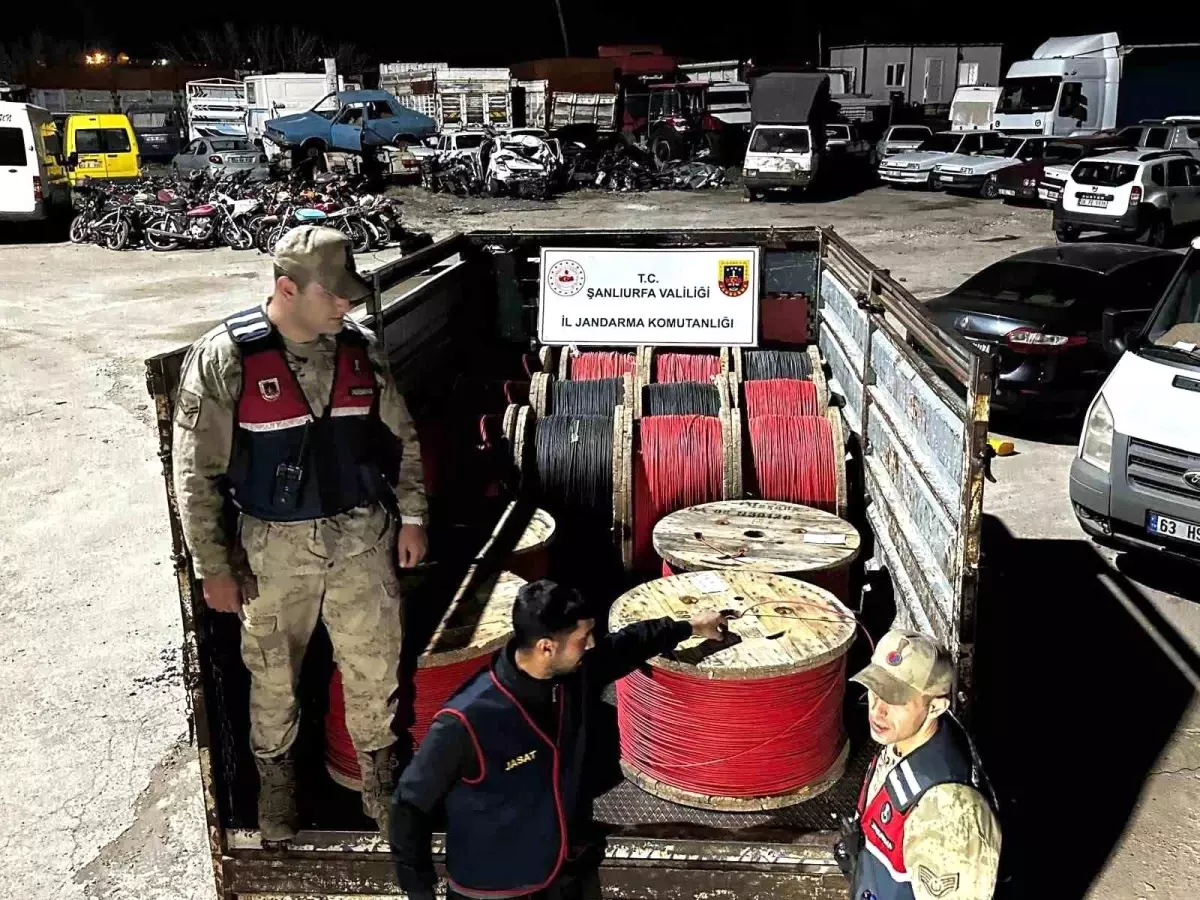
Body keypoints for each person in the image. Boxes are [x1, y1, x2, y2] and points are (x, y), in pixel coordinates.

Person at [172, 225, 428, 843]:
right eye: (332, 294)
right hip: (271, 548)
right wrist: (213, 567)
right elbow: (196, 474)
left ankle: (381, 786)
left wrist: (414, 515)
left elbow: (401, 438)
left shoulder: (360, 349)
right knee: (272, 676)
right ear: (287, 289)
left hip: (361, 538)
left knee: (374, 668)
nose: (347, 304)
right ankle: (277, 790)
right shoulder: (227, 358)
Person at [390, 579, 727, 900]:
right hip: (494, 888)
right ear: (546, 647)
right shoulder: (465, 719)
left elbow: (627, 644)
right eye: (583, 637)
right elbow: (409, 803)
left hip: (562, 873)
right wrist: (419, 889)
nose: (591, 644)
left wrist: (690, 627)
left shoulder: (574, 673)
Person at [840, 630, 1001, 900]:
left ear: (935, 707)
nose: (877, 709)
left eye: (897, 699)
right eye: (874, 688)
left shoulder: (948, 811)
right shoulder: (904, 739)